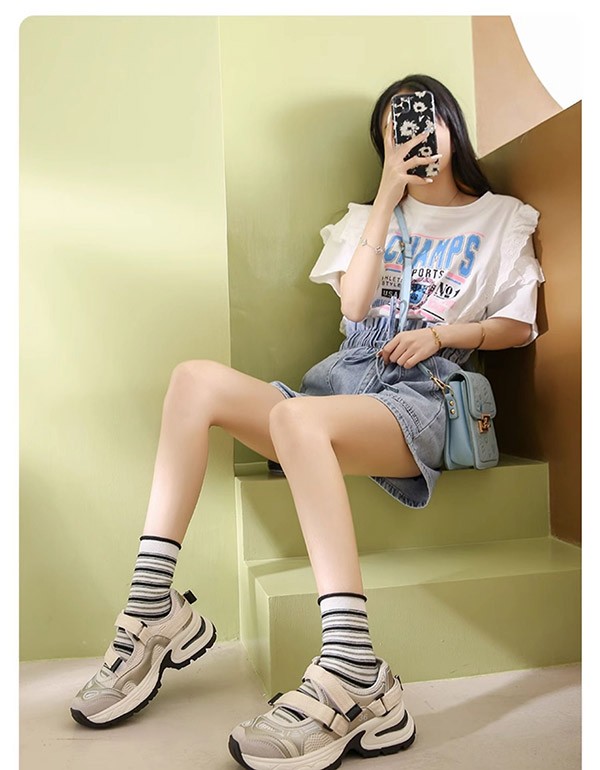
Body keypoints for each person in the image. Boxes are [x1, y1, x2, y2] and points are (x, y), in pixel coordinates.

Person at [69, 74, 544, 770]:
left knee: (298, 420)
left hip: (423, 396)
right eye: (397, 127)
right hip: (342, 385)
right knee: (194, 379)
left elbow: (519, 325)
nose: (415, 134)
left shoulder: (502, 218)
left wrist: (444, 335)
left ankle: (352, 666)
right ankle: (152, 610)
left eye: (425, 118)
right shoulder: (367, 217)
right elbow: (355, 308)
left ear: (453, 124)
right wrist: (388, 197)